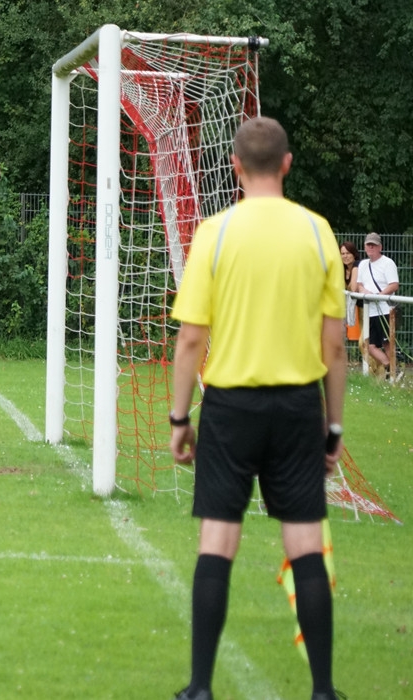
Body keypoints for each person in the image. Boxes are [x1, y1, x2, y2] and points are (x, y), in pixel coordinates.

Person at [168, 117, 346, 700]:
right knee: (305, 546)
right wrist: (333, 426)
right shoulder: (318, 232)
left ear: (235, 166)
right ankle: (323, 691)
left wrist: (179, 419)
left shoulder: (214, 233)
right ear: (287, 164)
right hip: (297, 407)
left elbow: (190, 339)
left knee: (217, 542)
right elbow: (335, 346)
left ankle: (200, 687)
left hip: (230, 409)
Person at [355, 232, 400, 376]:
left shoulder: (388, 263)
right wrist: (365, 292)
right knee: (369, 345)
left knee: (387, 343)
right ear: (364, 247)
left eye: (373, 245)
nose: (371, 247)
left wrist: (379, 295)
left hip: (386, 309)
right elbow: (359, 285)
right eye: (368, 245)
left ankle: (393, 373)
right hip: (371, 310)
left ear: (380, 247)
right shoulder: (363, 264)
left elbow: (394, 285)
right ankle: (391, 368)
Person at [340, 241, 361, 342]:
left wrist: (355, 269)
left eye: (348, 253)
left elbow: (353, 288)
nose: (345, 256)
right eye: (342, 253)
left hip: (363, 307)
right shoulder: (341, 268)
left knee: (365, 341)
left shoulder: (359, 265)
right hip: (350, 306)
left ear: (354, 254)